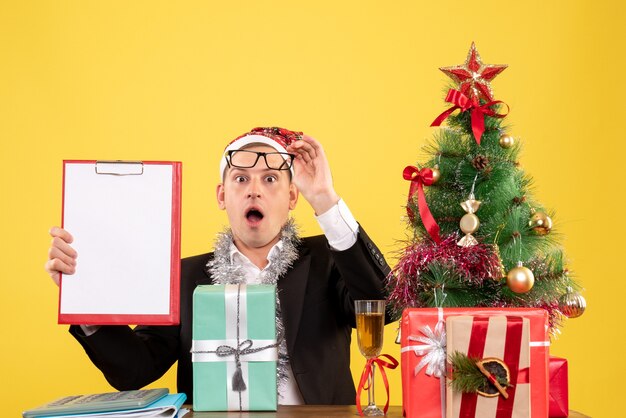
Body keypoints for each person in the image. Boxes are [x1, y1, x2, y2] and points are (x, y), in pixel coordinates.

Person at [45, 127, 390, 405]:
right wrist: (85, 300)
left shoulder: (330, 260)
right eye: (241, 178)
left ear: (292, 196)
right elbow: (135, 371)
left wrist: (325, 199)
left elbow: (384, 304)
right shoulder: (185, 276)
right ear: (222, 195)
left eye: (270, 179)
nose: (254, 190)